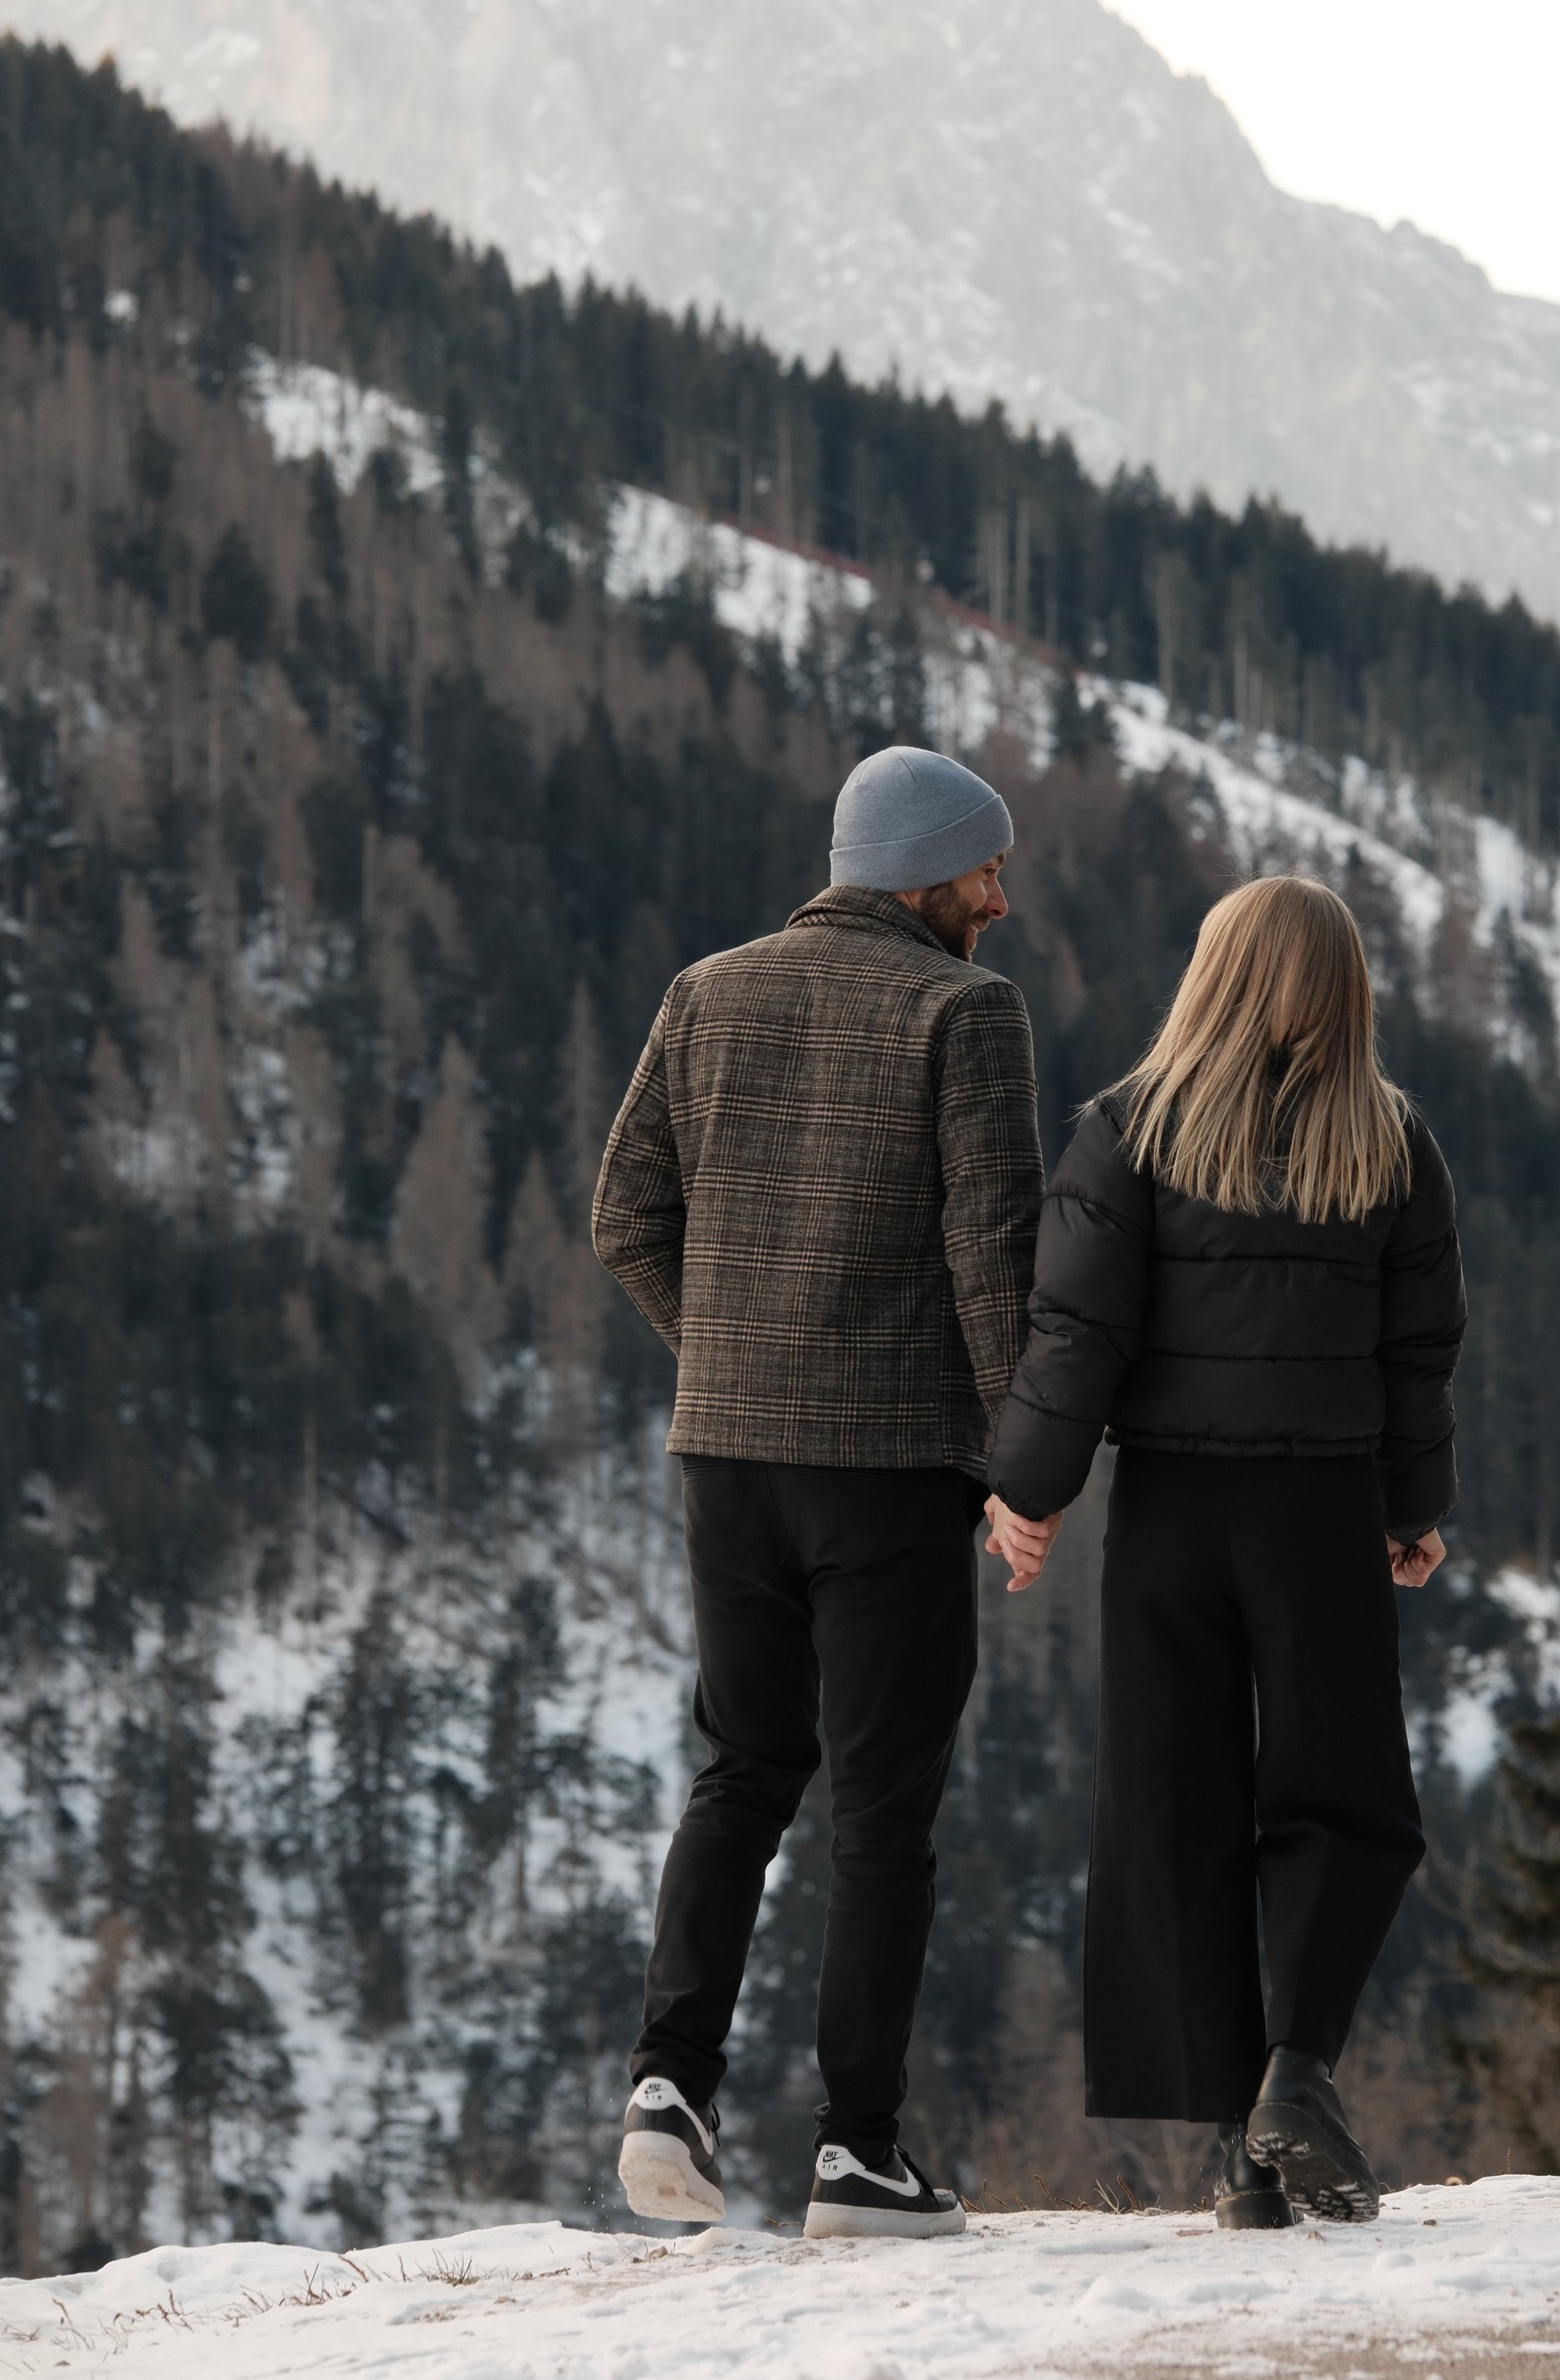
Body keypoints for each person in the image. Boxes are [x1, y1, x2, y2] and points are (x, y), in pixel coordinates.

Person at [591, 744, 1045, 2239]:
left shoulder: (706, 992)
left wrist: (728, 1352)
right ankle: (858, 2150)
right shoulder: (964, 1014)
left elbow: (625, 1216)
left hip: (726, 1459)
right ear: (924, 878)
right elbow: (996, 1263)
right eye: (986, 871)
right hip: (891, 1473)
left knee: (742, 1770)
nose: (1000, 898)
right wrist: (1020, 1461)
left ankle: (670, 2085)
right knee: (881, 1813)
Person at [984, 874, 1465, 2228]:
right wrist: (1409, 1506)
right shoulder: (1392, 1144)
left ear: (1214, 975)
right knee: (1349, 1800)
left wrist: (1030, 1489)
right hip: (1316, 1508)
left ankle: (1233, 2147)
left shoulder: (1128, 1130)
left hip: (1171, 1518)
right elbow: (1417, 1354)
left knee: (1174, 1809)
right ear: (1344, 987)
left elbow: (1076, 1333)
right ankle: (1293, 2082)